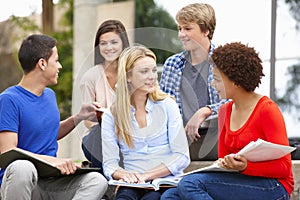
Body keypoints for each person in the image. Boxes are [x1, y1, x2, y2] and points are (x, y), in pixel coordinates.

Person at [161, 42, 294, 200]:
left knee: (190, 184)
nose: (212, 84)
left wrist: (246, 166)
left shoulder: (267, 110)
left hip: (274, 186)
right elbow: (223, 163)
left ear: (236, 81)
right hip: (241, 181)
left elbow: (284, 168)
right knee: (170, 195)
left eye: (216, 79)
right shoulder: (225, 111)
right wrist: (226, 164)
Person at [0, 34, 108, 199]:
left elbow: (48, 133)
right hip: (23, 182)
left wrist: (78, 117)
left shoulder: (49, 95)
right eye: (56, 60)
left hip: (51, 182)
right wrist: (50, 161)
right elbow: (8, 151)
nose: (60, 66)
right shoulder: (9, 99)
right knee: (22, 167)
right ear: (42, 63)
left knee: (96, 181)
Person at [101, 45, 190, 199]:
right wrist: (123, 174)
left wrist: (147, 175)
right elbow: (109, 164)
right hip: (133, 183)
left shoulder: (168, 105)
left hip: (164, 182)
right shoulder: (112, 115)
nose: (152, 77)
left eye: (154, 70)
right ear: (128, 76)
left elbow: (182, 156)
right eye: (144, 71)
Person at [159, 3, 229, 157]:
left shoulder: (224, 62)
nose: (181, 34)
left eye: (187, 28)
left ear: (206, 31)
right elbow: (161, 107)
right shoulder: (173, 64)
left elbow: (236, 102)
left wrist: (206, 111)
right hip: (180, 143)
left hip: (218, 140)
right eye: (179, 28)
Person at [80, 19, 130, 169]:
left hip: (127, 139)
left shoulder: (132, 73)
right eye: (103, 43)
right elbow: (88, 121)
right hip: (96, 139)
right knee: (99, 131)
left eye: (114, 42)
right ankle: (103, 182)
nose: (109, 48)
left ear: (123, 44)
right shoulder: (90, 77)